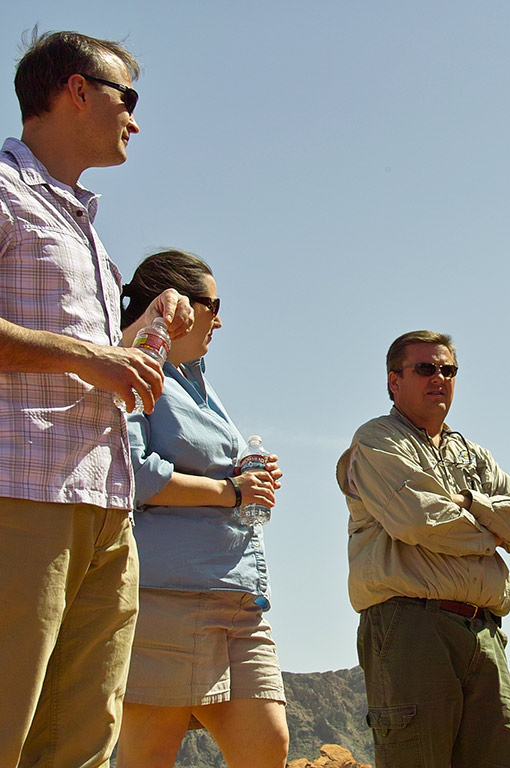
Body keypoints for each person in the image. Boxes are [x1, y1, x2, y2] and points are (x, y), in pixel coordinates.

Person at [0, 30, 193, 767]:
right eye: (127, 97)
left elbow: (100, 363)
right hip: (24, 494)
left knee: (80, 740)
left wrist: (145, 328)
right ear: (76, 90)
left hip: (106, 502)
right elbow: (87, 360)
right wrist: (96, 357)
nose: (134, 121)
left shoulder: (83, 226)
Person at [113, 250, 289, 768]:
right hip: (171, 595)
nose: (220, 319)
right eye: (214, 305)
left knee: (269, 744)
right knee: (150, 755)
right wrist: (232, 491)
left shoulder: (201, 383)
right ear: (178, 304)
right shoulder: (136, 367)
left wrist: (249, 478)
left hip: (239, 594)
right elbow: (135, 473)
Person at [340, 329, 510, 768]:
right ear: (394, 380)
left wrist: (471, 503)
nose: (440, 378)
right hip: (412, 626)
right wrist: (494, 533)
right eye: (425, 368)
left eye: (448, 370)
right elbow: (420, 520)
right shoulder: (377, 440)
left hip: (485, 631)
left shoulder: (473, 455)